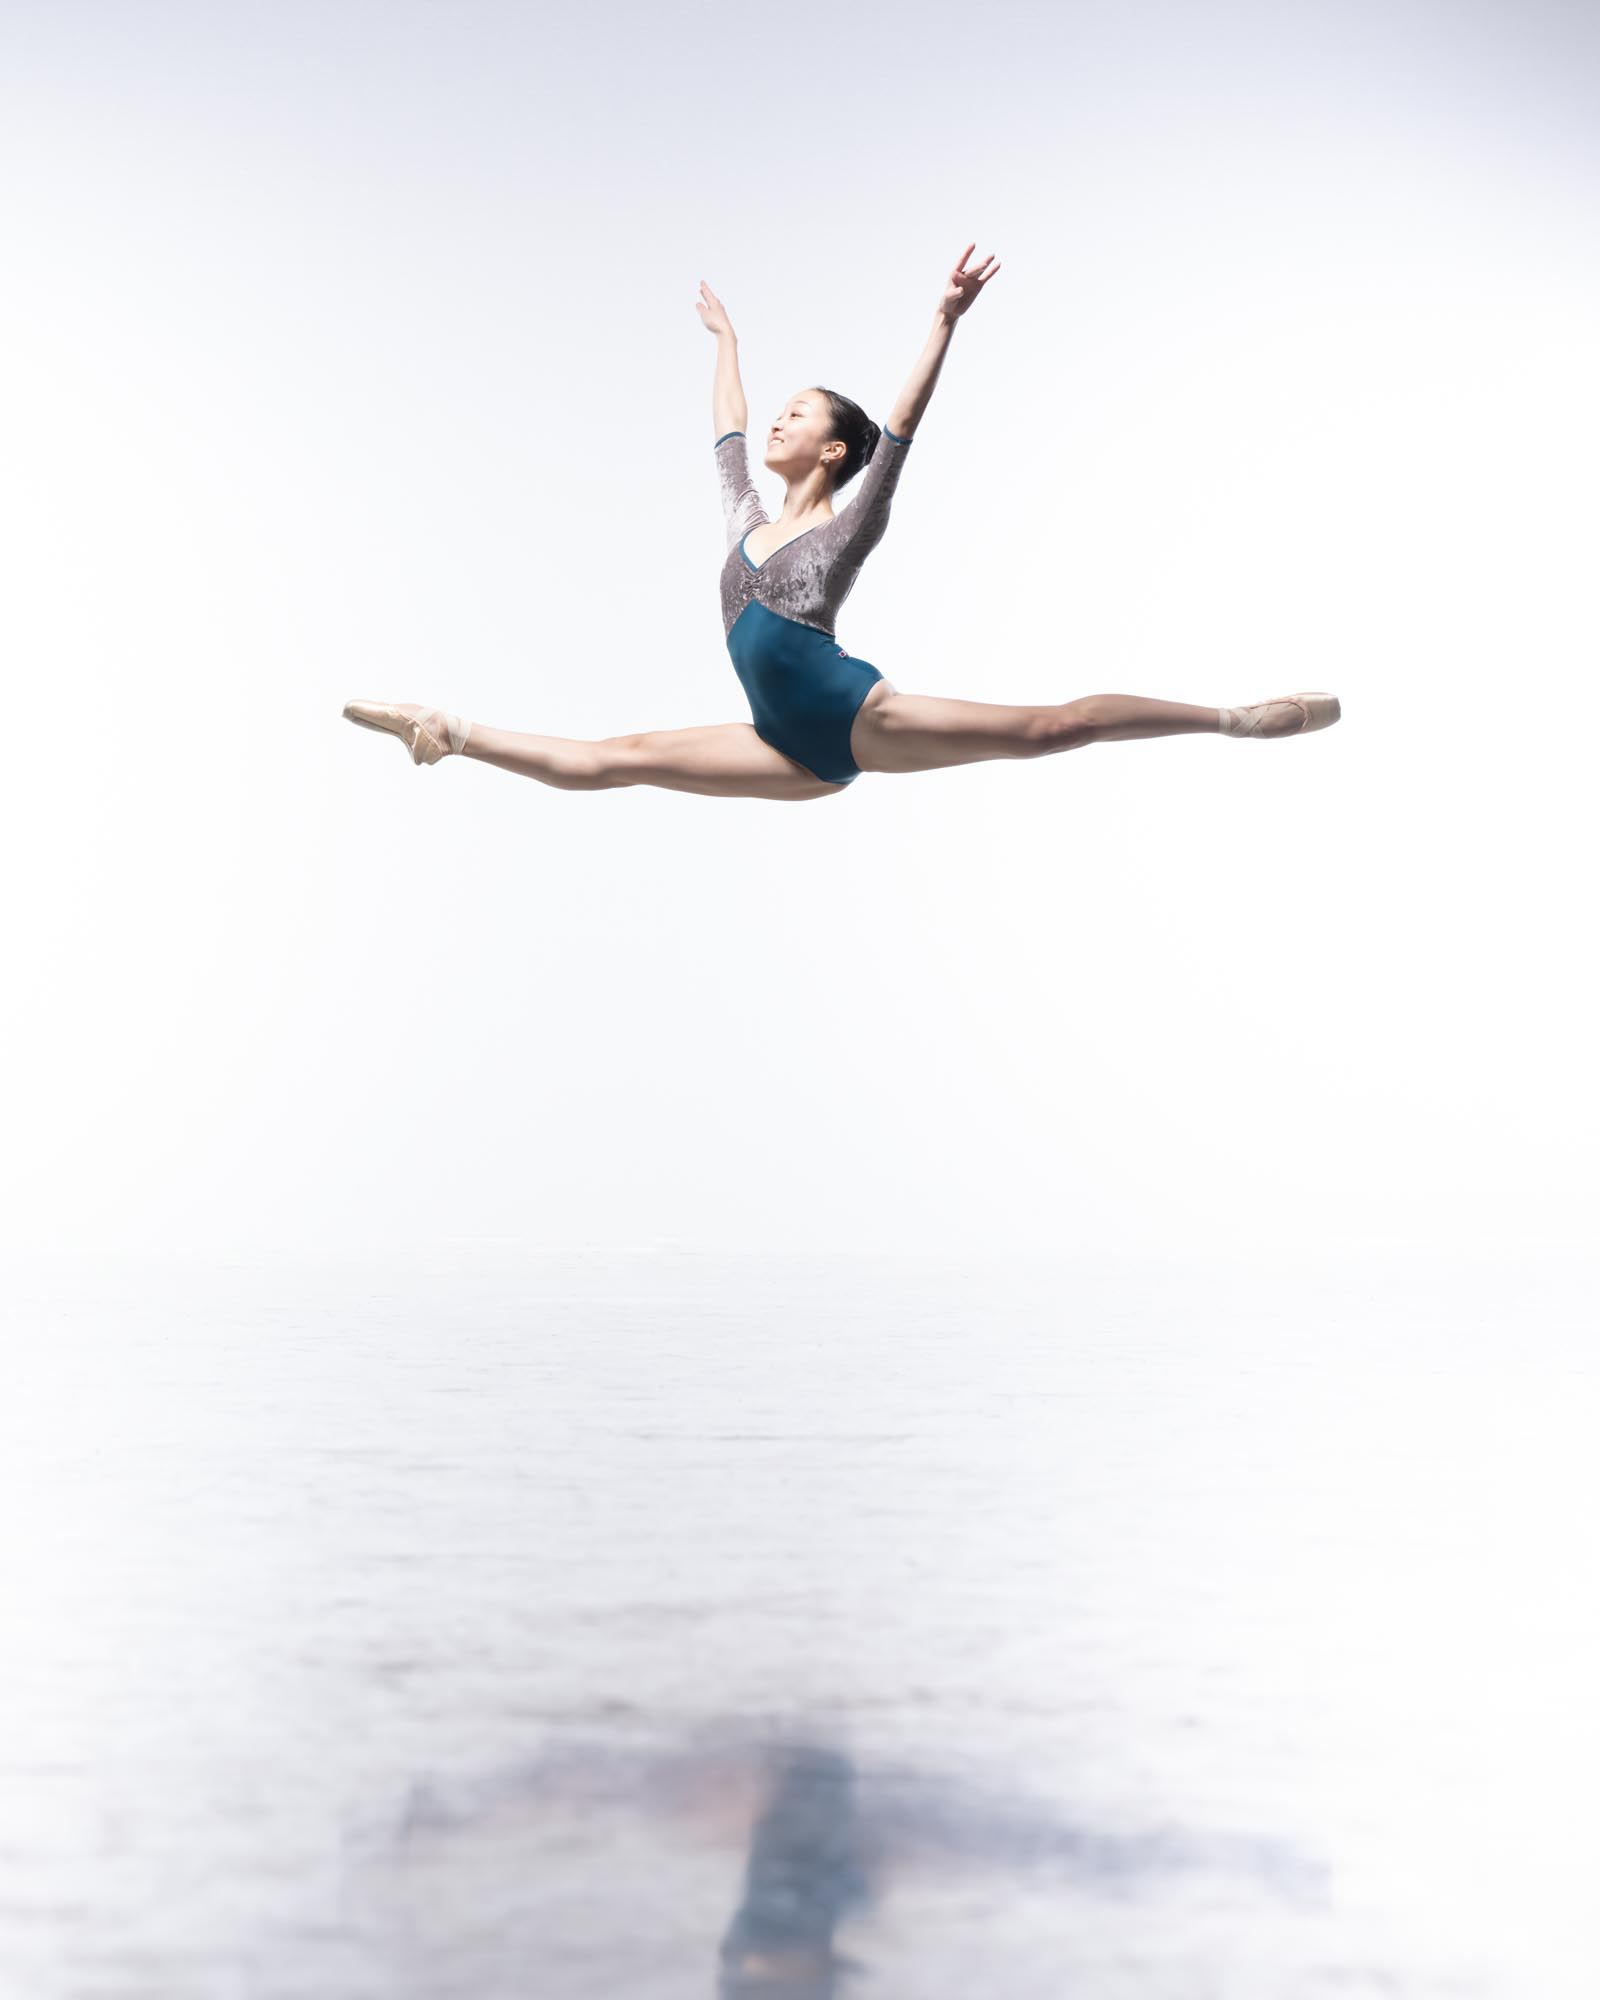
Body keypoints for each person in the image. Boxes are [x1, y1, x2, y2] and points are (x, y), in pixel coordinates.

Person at [343, 244, 1338, 799]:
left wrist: (944, 320)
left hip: (860, 717)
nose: (778, 420)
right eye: (781, 408)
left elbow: (899, 427)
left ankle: (1234, 717)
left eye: (801, 413)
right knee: (618, 760)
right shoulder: (744, 516)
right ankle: (448, 730)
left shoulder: (845, 531)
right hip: (787, 750)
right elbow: (727, 427)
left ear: (830, 451)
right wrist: (727, 341)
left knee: (1052, 728)